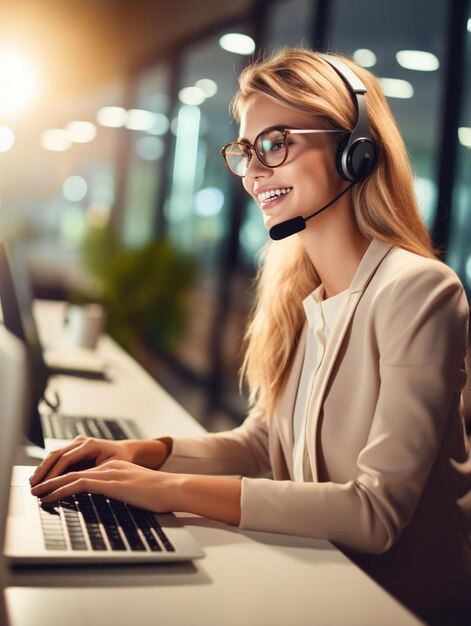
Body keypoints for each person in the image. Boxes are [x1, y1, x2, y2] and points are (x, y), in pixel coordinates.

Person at [30, 48, 471, 623]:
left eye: (275, 143)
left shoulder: (419, 291)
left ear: (355, 151)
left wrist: (168, 490)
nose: (255, 170)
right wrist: (141, 455)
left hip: (400, 606)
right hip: (319, 577)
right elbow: (263, 443)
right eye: (246, 151)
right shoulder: (302, 292)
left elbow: (375, 512)